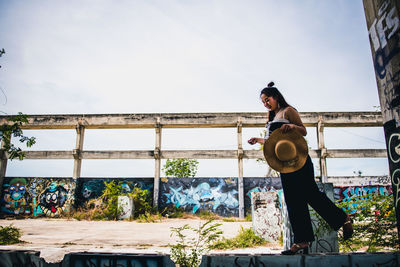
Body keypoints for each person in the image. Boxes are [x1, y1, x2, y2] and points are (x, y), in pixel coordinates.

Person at [248, 81, 353, 255]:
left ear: (275, 97)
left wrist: (292, 126)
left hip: (299, 160)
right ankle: (302, 241)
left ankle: (343, 219)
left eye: (268, 99)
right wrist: (257, 140)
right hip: (283, 164)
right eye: (263, 102)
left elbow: (303, 130)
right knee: (293, 200)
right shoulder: (271, 119)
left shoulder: (288, 111)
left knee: (311, 194)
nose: (266, 104)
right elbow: (273, 143)